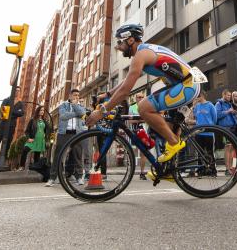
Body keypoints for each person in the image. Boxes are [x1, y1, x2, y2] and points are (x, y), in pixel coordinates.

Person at [86, 24, 203, 183]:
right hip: (184, 84)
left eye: (120, 43)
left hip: (188, 85)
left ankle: (175, 143)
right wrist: (107, 94)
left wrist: (101, 111)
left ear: (131, 40)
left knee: (144, 107)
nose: (119, 48)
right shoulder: (143, 52)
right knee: (167, 128)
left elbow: (126, 91)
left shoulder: (142, 54)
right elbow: (125, 82)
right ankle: (169, 170)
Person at [46, 88, 87, 187]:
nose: (77, 97)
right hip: (63, 133)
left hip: (76, 133)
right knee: (58, 156)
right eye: (75, 95)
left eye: (78, 95)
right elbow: (63, 116)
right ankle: (52, 178)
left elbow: (82, 114)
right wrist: (75, 113)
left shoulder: (80, 106)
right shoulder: (63, 105)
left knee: (77, 156)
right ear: (70, 96)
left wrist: (75, 106)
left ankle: (79, 177)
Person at [191, 94, 217, 177]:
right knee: (199, 152)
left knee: (210, 152)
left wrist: (210, 126)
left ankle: (212, 170)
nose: (197, 98)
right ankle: (201, 170)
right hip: (199, 132)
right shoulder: (197, 106)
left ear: (202, 96)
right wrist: (193, 105)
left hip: (209, 132)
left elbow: (215, 118)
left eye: (198, 97)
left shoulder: (210, 105)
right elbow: (193, 116)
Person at [214, 90, 237, 176]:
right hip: (225, 128)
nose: (229, 97)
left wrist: (234, 113)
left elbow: (231, 114)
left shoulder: (229, 104)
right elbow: (217, 115)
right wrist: (228, 111)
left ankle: (231, 168)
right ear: (223, 95)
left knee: (231, 148)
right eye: (228, 95)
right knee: (228, 148)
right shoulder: (218, 104)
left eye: (230, 96)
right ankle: (227, 169)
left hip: (232, 128)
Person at [22, 104, 52, 169]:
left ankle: (35, 168)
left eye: (43, 110)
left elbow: (49, 129)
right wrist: (28, 138)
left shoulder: (45, 121)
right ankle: (21, 166)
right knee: (25, 150)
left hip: (41, 140)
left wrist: (47, 136)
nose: (42, 112)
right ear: (38, 111)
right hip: (33, 140)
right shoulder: (32, 120)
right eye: (41, 110)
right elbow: (27, 131)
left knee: (37, 155)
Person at [128, 92, 149, 180]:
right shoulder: (132, 107)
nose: (140, 98)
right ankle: (130, 172)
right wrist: (140, 120)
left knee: (144, 152)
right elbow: (130, 121)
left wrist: (139, 119)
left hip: (144, 131)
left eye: (142, 97)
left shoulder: (147, 106)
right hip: (134, 131)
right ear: (135, 98)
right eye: (138, 97)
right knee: (133, 152)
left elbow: (148, 119)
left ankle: (142, 172)